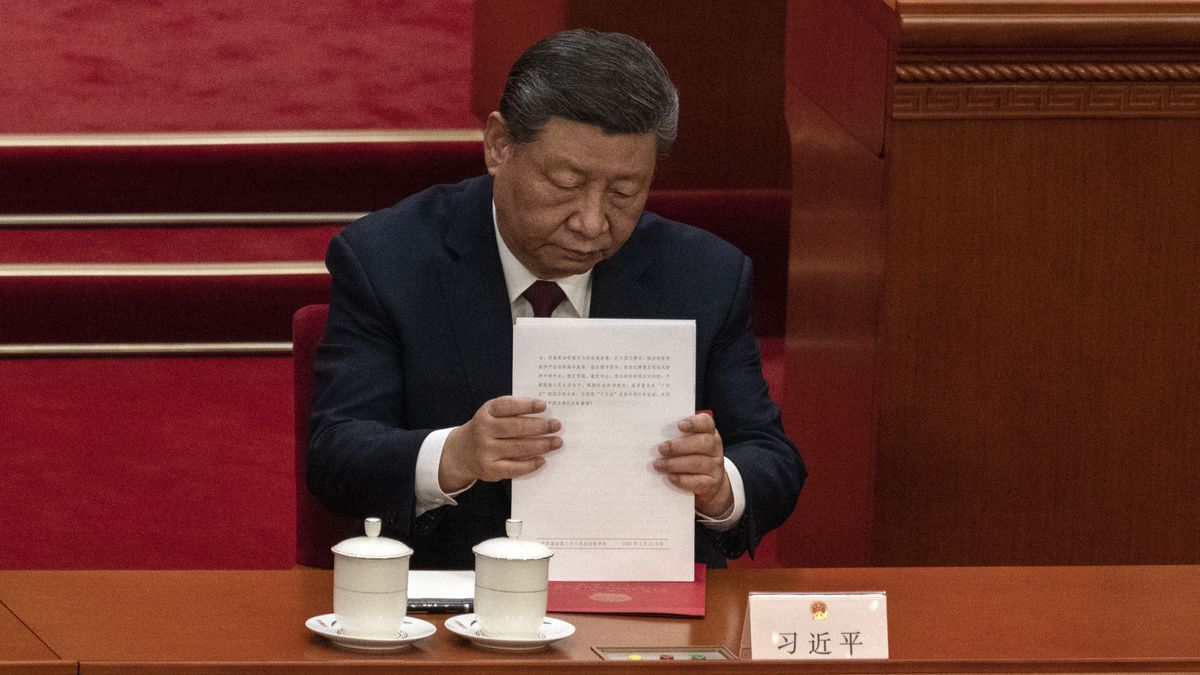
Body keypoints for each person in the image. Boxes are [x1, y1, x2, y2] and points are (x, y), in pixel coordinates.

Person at [307, 28, 805, 570]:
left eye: (624, 192)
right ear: (499, 146)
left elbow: (772, 458)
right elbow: (338, 455)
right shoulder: (388, 260)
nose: (592, 222)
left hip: (641, 601)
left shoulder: (704, 275)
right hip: (452, 600)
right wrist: (457, 453)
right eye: (565, 183)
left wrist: (720, 484)